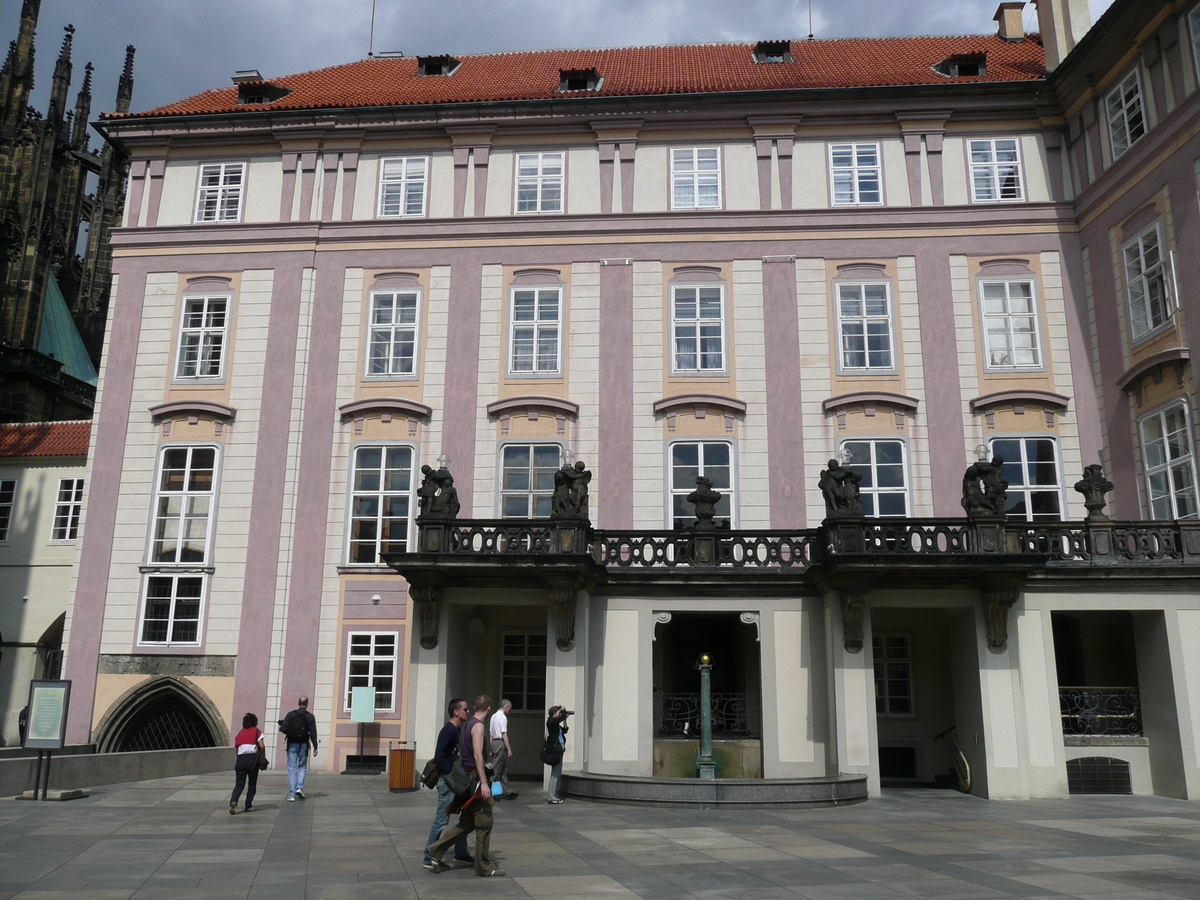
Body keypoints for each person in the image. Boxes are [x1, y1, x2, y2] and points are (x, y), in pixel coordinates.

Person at [426, 694, 504, 877]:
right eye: (464, 709)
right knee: (484, 822)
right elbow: (477, 756)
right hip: (474, 781)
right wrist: (484, 783)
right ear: (489, 709)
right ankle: (483, 866)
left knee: (467, 823)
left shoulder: (468, 725)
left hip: (469, 779)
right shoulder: (477, 726)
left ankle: (436, 850)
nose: (467, 711)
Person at [423, 698, 474, 871]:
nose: (467, 712)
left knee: (463, 817)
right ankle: (428, 857)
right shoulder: (449, 730)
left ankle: (461, 852)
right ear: (456, 712)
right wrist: (450, 774)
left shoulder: (457, 730)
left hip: (454, 781)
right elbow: (439, 756)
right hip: (448, 782)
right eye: (465, 709)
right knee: (441, 819)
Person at [278, 695, 318, 802]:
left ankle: (292, 794)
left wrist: (284, 727)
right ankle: (299, 787)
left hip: (292, 744)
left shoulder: (291, 714)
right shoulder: (310, 716)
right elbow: (313, 732)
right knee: (302, 766)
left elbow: (283, 729)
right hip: (304, 744)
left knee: (292, 768)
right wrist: (315, 746)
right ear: (307, 704)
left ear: (298, 703)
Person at [230, 712, 264, 815]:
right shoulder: (257, 732)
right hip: (252, 760)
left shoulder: (240, 734)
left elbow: (236, 748)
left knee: (239, 784)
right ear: (255, 722)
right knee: (252, 783)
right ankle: (248, 805)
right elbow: (261, 746)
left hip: (240, 760)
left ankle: (233, 801)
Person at [489, 699, 519, 800]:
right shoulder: (502, 717)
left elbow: (490, 733)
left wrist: (491, 747)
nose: (509, 710)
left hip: (494, 743)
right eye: (509, 708)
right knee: (496, 770)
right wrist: (509, 749)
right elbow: (504, 734)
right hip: (500, 743)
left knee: (503, 769)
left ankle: (508, 791)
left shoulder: (493, 716)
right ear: (506, 707)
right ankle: (492, 792)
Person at [545, 705, 569, 804]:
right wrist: (563, 714)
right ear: (554, 713)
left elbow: (565, 730)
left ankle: (554, 794)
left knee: (557, 774)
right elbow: (557, 720)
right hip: (555, 750)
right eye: (558, 712)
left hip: (559, 750)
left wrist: (565, 720)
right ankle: (551, 797)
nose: (560, 714)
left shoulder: (556, 724)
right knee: (555, 774)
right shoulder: (551, 721)